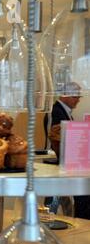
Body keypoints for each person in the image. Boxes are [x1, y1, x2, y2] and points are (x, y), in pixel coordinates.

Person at [43, 82, 90, 219]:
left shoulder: (65, 112)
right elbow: (56, 136)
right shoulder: (56, 111)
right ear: (65, 95)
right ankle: (50, 219)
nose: (78, 100)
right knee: (56, 195)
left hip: (65, 161)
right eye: (76, 96)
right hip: (60, 160)